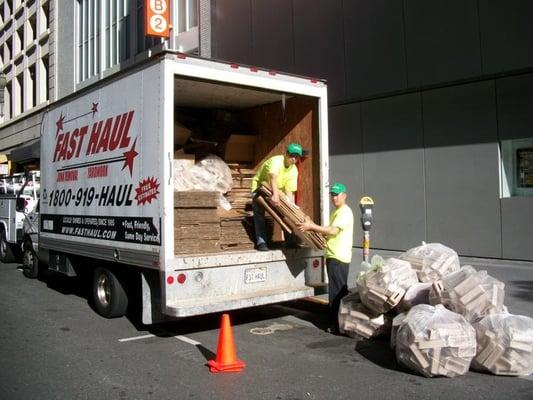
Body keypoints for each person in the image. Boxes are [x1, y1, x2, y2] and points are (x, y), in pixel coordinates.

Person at [298, 182, 354, 334]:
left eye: (337, 195)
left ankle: (336, 325)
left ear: (344, 196)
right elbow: (329, 232)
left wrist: (312, 226)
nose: (334, 198)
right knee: (339, 292)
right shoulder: (337, 212)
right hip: (335, 256)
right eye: (332, 195)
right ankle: (341, 323)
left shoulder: (344, 212)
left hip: (338, 258)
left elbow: (333, 231)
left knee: (336, 293)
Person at [251, 143, 303, 251]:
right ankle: (262, 243)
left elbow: (289, 191)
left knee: (285, 214)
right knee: (259, 215)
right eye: (292, 155)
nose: (294, 159)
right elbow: (272, 178)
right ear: (286, 154)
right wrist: (275, 195)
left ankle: (290, 241)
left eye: (297, 157)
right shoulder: (276, 161)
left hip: (276, 191)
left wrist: (291, 206)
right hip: (260, 187)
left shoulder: (294, 170)